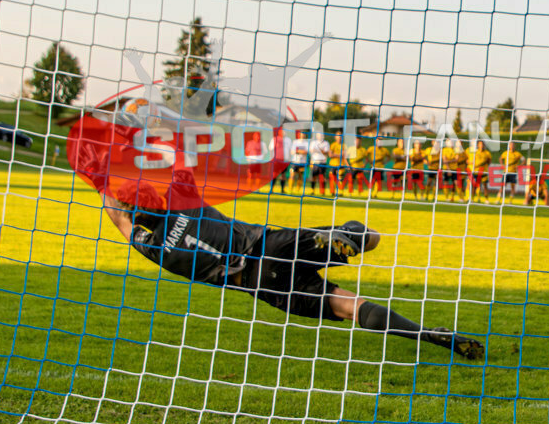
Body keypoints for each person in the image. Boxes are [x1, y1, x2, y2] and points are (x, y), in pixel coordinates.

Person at [73, 149, 485, 362]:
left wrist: (99, 181)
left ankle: (429, 336)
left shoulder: (149, 246)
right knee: (366, 234)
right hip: (270, 246)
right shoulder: (180, 200)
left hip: (260, 287)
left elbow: (120, 218)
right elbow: (173, 164)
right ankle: (347, 241)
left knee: (346, 306)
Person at [308, 131, 331, 196]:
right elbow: (311, 151)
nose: (320, 136)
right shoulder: (313, 142)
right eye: (319, 135)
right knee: (313, 177)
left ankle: (322, 191)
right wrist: (321, 150)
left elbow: (326, 152)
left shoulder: (326, 143)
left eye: (321, 135)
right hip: (315, 162)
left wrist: (317, 149)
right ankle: (312, 190)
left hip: (322, 162)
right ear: (317, 136)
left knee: (322, 177)